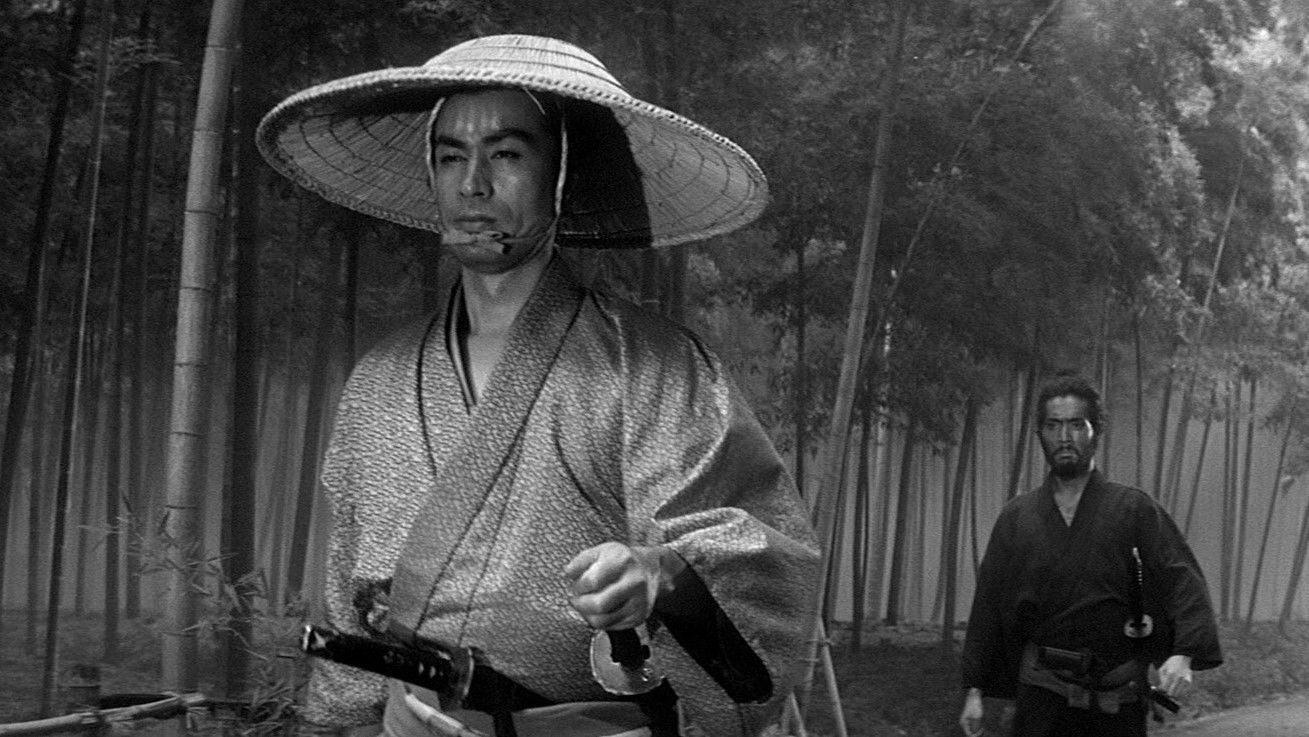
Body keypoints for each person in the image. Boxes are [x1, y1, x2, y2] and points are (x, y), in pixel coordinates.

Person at [257, 35, 820, 737]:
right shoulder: (379, 381)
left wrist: (663, 573)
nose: (473, 184)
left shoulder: (651, 366)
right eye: (451, 157)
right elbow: (350, 604)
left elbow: (758, 559)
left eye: (506, 154)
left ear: (561, 175)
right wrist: (340, 724)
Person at [957, 374, 1222, 736]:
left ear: (1096, 431)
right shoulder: (1017, 517)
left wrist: (1184, 653)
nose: (1064, 437)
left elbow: (1181, 577)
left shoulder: (1133, 509)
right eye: (1053, 426)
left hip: (1115, 696)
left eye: (1076, 425)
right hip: (1042, 695)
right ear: (1040, 434)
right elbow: (988, 605)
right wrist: (975, 690)